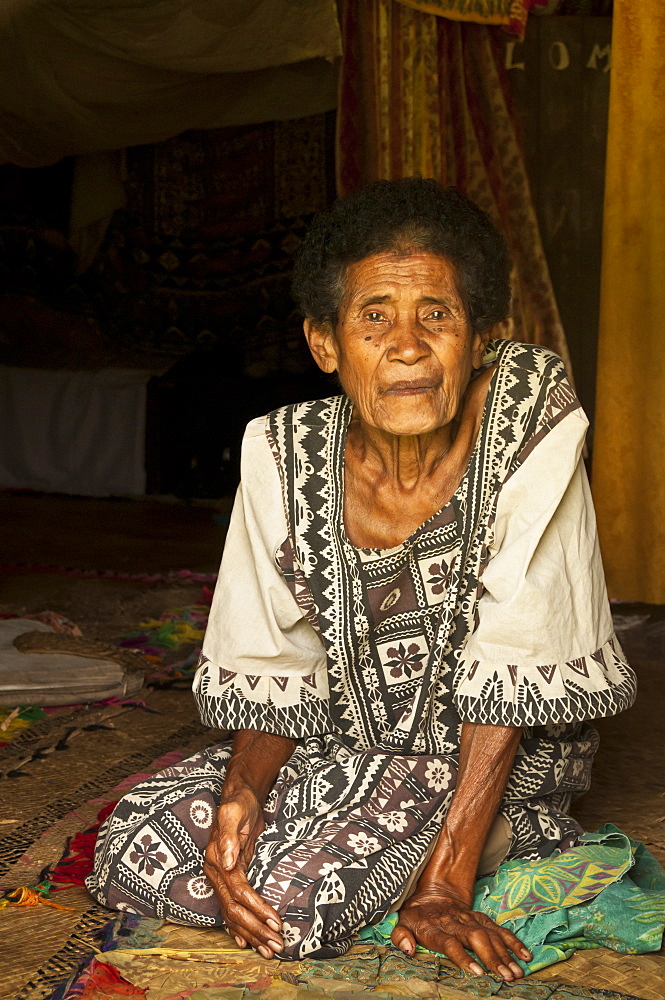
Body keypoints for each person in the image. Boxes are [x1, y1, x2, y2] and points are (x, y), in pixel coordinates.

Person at [87, 179, 636, 981]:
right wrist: (241, 790)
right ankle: (331, 837)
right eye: (373, 316)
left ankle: (450, 847)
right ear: (325, 343)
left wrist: (446, 883)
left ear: (483, 335)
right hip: (341, 748)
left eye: (437, 316)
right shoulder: (280, 448)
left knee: (299, 895)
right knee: (136, 837)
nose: (406, 345)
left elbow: (521, 655)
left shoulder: (529, 414)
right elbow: (277, 662)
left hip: (490, 761)